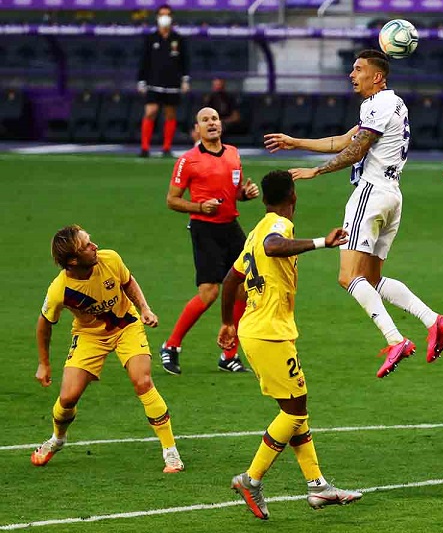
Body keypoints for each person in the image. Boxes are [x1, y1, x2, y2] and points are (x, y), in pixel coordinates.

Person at [263, 49, 443, 378]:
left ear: (377, 77)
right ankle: (432, 320)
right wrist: (296, 142)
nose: (352, 75)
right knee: (373, 278)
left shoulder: (376, 104)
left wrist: (317, 172)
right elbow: (343, 139)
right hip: (393, 195)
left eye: (359, 69)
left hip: (371, 191)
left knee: (348, 277)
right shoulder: (394, 103)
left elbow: (356, 149)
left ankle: (395, 340)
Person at [217, 170, 362, 520]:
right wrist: (322, 243)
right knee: (295, 409)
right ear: (293, 196)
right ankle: (251, 479)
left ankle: (317, 486)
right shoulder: (275, 228)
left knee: (295, 409)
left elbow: (230, 279)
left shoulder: (254, 231)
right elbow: (274, 247)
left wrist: (226, 322)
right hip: (269, 332)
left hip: (260, 328)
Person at [32, 225, 183, 473]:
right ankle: (57, 439)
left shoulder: (109, 259)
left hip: (126, 326)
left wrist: (144, 308)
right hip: (90, 336)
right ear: (72, 260)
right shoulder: (60, 290)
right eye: (87, 246)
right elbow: (44, 324)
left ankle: (171, 452)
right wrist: (44, 363)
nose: (95, 247)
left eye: (90, 240)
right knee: (68, 397)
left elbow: (128, 282)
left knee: (143, 382)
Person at [161, 107, 259, 375]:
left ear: (220, 124)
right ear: (197, 129)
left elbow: (235, 191)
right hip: (204, 228)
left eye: (215, 119)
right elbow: (172, 200)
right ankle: (171, 346)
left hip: (231, 227)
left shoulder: (233, 153)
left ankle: (229, 354)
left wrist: (245, 194)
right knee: (210, 292)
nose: (211, 123)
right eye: (205, 120)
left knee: (243, 288)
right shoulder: (187, 161)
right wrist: (199, 207)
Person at [137, 4, 190, 158]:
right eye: (161, 14)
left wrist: (185, 80)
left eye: (167, 14)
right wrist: (141, 80)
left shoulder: (178, 39)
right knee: (150, 112)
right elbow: (144, 61)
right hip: (153, 81)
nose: (164, 17)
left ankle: (166, 148)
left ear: (171, 17)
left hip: (172, 82)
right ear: (157, 17)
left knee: (170, 114)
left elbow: (185, 61)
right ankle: (145, 147)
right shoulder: (151, 38)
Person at [191, 78, 245, 144]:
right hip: (208, 123)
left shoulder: (229, 98)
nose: (218, 85)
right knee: (196, 132)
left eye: (219, 83)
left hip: (224, 124)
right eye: (216, 83)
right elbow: (198, 115)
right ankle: (200, 149)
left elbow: (236, 117)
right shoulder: (208, 97)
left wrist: (221, 121)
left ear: (224, 84)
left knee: (216, 129)